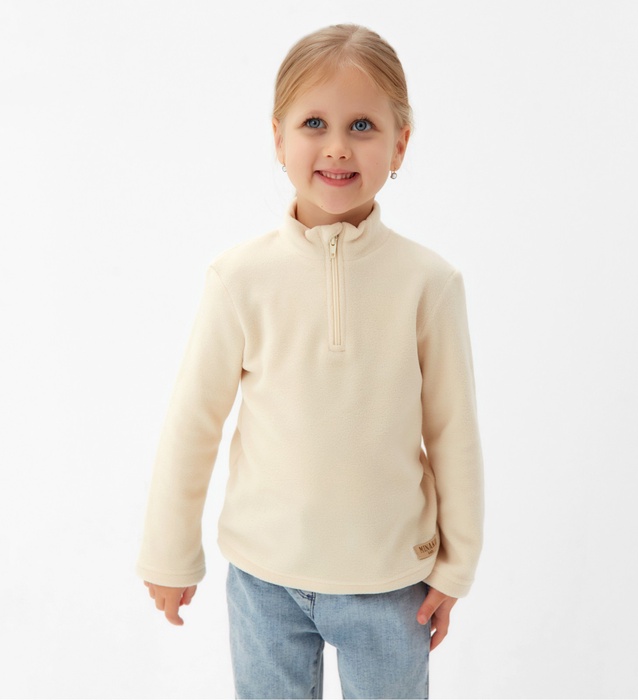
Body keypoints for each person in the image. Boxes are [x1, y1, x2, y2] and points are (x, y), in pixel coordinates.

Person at [137, 23, 484, 699]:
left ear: (400, 143)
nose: (337, 147)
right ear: (278, 138)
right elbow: (193, 422)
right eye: (314, 123)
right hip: (263, 581)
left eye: (363, 126)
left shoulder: (429, 283)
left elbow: (453, 434)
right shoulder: (239, 278)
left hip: (391, 584)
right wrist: (168, 551)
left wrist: (456, 566)